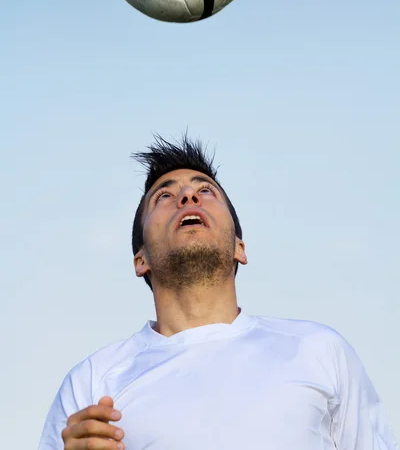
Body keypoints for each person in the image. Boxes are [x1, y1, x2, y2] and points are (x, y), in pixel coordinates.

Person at [38, 134, 398, 450]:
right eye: (163, 196)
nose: (188, 195)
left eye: (205, 190)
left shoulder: (321, 350)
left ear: (239, 247)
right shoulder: (92, 382)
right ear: (140, 259)